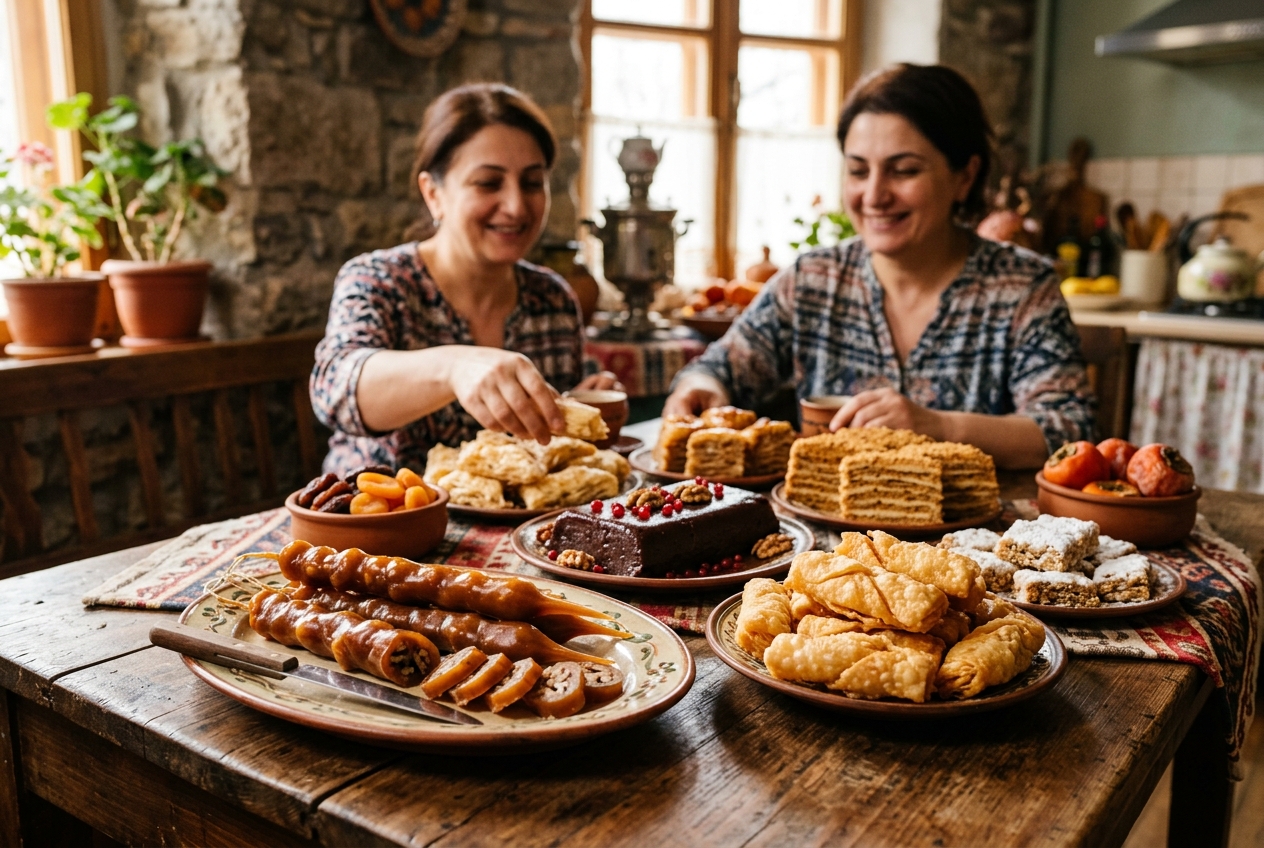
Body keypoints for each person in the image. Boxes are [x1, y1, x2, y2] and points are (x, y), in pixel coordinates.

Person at [664, 64, 1093, 469]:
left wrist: (939, 427)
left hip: (977, 544)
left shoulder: (1022, 288)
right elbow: (717, 369)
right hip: (825, 543)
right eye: (857, 170)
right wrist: (700, 389)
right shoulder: (813, 280)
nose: (873, 195)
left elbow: (1067, 431)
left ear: (964, 176)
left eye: (903, 170)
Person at [311, 83, 618, 474]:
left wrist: (582, 403)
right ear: (433, 193)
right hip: (381, 524)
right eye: (488, 183)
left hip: (516, 531)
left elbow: (556, 444)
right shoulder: (378, 281)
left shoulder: (552, 298)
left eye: (532, 182)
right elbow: (336, 392)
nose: (516, 206)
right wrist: (455, 368)